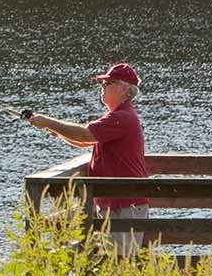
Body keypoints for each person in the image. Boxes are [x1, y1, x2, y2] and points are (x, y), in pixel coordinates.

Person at [23, 63, 148, 253]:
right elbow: (84, 141)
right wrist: (50, 127)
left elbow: (83, 135)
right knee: (109, 258)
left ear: (123, 88)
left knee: (121, 261)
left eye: (107, 84)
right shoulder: (118, 116)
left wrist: (47, 122)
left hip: (125, 203)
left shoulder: (122, 117)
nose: (102, 87)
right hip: (116, 201)